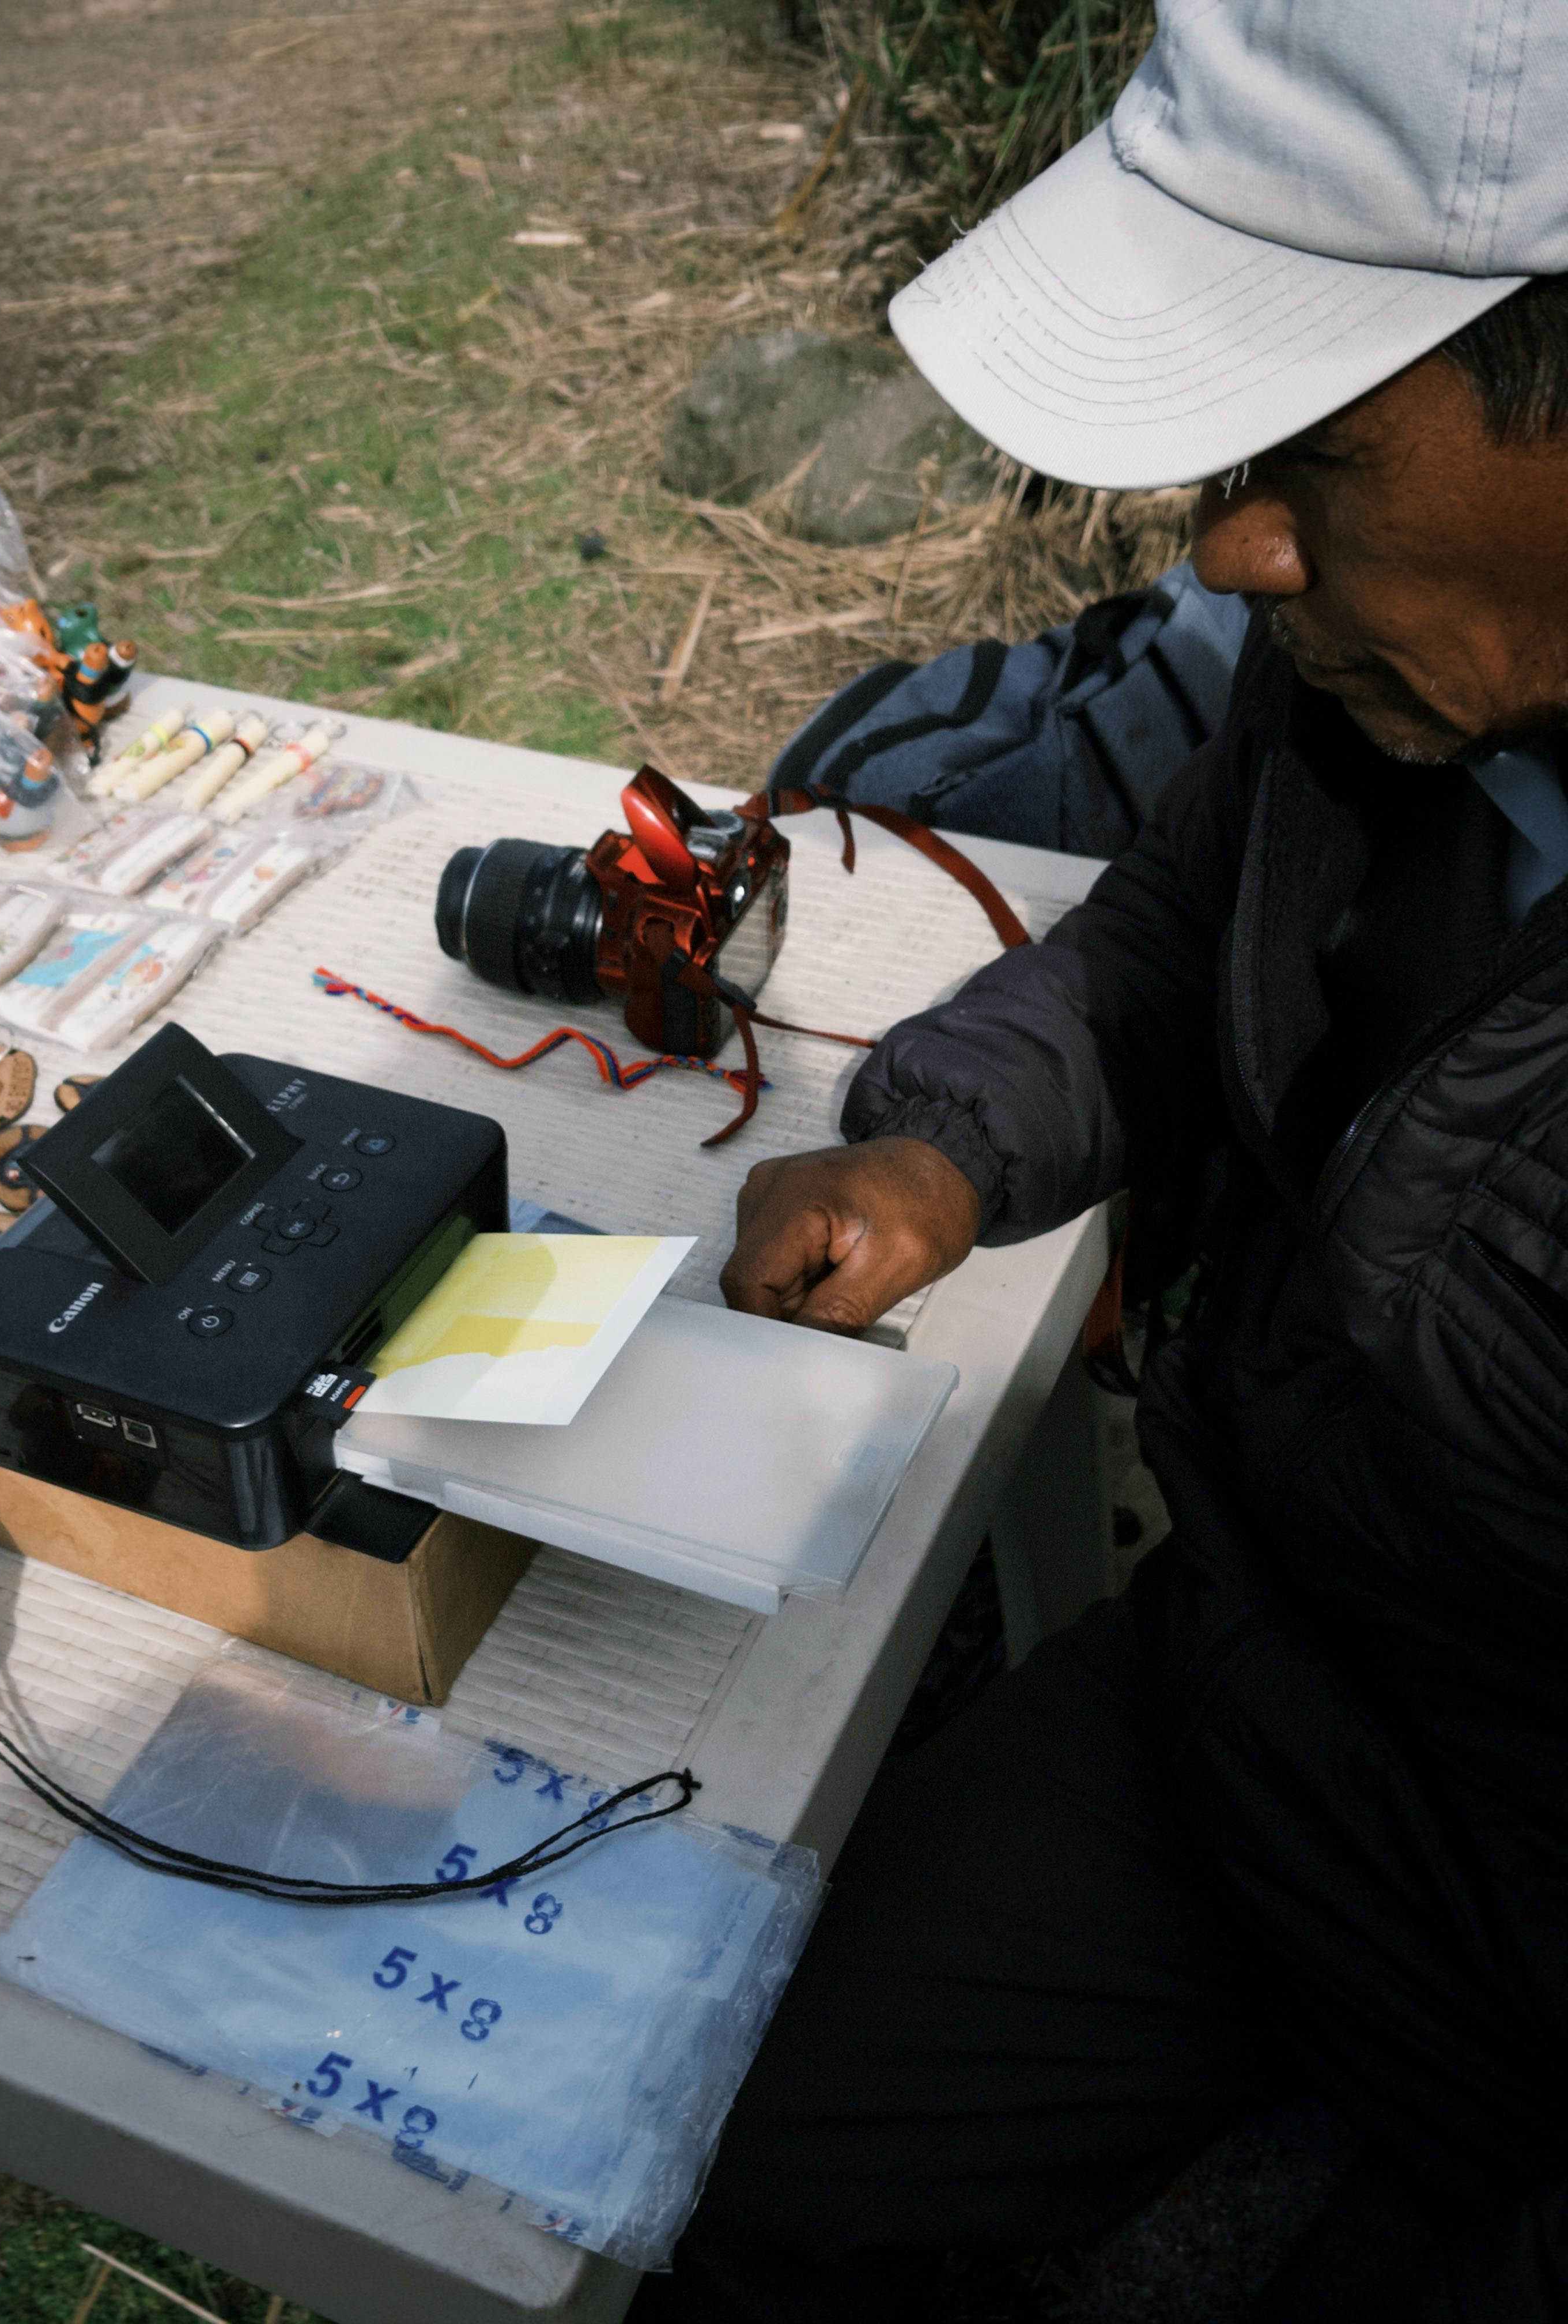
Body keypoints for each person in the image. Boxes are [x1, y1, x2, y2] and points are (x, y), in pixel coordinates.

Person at [634, 2, 1568, 2318]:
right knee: (675, 2155)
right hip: (1264, 1686)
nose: (1235, 546)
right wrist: (949, 1154)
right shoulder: (1365, 667)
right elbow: (1165, 942)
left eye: (1321, 449)